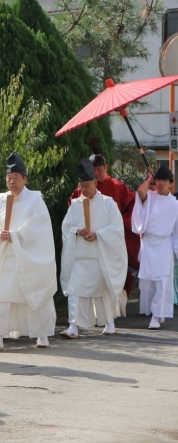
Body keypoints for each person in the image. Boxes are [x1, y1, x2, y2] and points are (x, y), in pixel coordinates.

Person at [0, 153, 56, 351]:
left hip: (28, 256)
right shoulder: (0, 201)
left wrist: (16, 235)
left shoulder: (35, 200)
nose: (12, 181)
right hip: (6, 255)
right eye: (9, 178)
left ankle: (42, 335)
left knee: (34, 293)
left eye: (16, 177)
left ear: (25, 179)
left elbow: (39, 227)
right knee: (1, 296)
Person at [68, 137, 140, 311]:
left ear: (106, 168)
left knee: (114, 272)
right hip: (88, 239)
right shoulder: (82, 189)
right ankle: (90, 313)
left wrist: (117, 223)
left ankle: (112, 311)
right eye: (94, 170)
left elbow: (132, 208)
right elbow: (73, 207)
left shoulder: (118, 187)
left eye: (99, 169)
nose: (97, 173)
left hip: (111, 238)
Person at [59, 158, 127, 338]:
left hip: (100, 254)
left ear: (95, 183)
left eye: (88, 184)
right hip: (81, 255)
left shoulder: (108, 203)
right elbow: (66, 227)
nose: (84, 189)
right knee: (75, 289)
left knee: (103, 290)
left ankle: (110, 322)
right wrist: (76, 231)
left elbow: (116, 228)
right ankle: (73, 326)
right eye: (82, 185)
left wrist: (98, 234)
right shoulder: (75, 205)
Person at [131, 164, 178, 329]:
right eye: (158, 180)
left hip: (164, 245)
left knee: (162, 281)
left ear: (171, 184)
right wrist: (149, 178)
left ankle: (157, 316)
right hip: (149, 244)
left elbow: (177, 231)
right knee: (148, 281)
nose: (161, 183)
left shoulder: (175, 204)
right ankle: (153, 311)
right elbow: (140, 192)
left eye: (164, 180)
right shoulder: (151, 196)